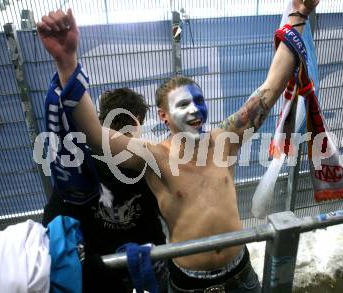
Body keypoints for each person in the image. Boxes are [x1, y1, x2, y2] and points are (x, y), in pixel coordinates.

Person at [37, 0, 319, 291]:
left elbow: (271, 88)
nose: (195, 110)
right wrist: (66, 61)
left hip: (240, 276)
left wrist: (300, 11)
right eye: (183, 104)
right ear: (164, 116)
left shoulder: (225, 142)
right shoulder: (153, 157)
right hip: (188, 284)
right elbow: (94, 135)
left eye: (199, 101)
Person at [41, 88, 168, 293]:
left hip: (101, 269)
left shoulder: (79, 166)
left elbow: (52, 220)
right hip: (148, 261)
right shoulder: (148, 162)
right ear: (137, 120)